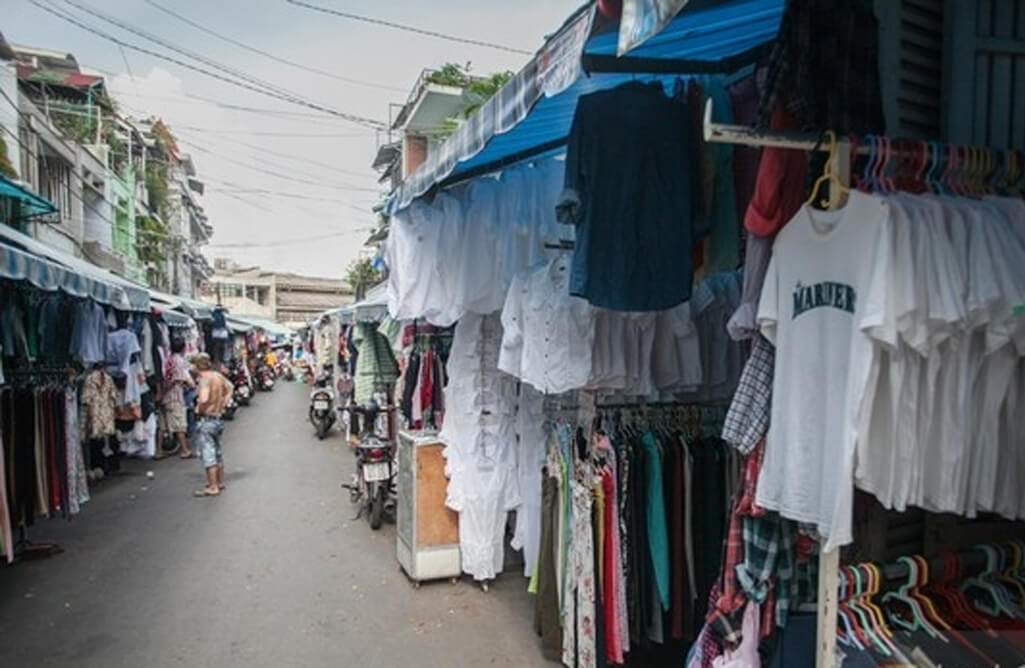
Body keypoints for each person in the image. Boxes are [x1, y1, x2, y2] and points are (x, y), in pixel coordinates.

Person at [192, 352, 234, 498]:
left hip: (207, 419)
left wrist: (199, 409)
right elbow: (230, 388)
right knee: (217, 451)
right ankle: (220, 482)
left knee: (208, 453)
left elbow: (203, 399)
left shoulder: (205, 379)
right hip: (218, 417)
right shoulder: (217, 376)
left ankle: (213, 486)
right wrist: (222, 403)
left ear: (197, 365)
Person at [158, 337, 195, 460]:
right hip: (175, 396)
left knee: (163, 425)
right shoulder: (179, 361)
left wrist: (162, 394)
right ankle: (185, 450)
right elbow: (177, 380)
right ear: (183, 348)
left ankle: (158, 451)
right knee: (179, 425)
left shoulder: (168, 359)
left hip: (166, 397)